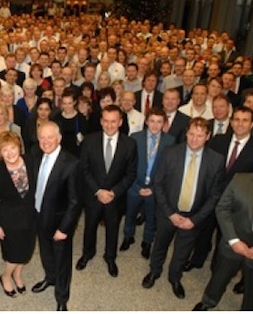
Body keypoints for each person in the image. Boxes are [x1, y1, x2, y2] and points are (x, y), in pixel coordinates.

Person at [193, 147, 253, 311]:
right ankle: (208, 301)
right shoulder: (239, 180)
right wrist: (234, 240)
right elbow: (222, 208)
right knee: (218, 279)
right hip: (232, 245)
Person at [142, 117, 225, 299]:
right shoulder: (170, 153)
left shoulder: (217, 161)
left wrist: (194, 220)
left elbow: (214, 196)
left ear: (208, 136)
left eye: (200, 135)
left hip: (193, 216)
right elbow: (159, 183)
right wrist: (170, 213)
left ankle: (175, 277)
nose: (195, 139)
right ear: (186, 133)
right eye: (192, 134)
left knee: (182, 251)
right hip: (168, 212)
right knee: (160, 245)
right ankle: (154, 271)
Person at [183, 106, 253, 272]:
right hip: (210, 196)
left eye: (245, 120)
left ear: (252, 123)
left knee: (226, 236)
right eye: (237, 119)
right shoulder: (218, 140)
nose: (240, 124)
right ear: (231, 122)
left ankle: (217, 268)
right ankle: (197, 259)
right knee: (203, 231)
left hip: (235, 203)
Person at [76, 105, 137, 278]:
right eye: (106, 121)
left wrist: (113, 192)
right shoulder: (89, 140)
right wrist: (97, 190)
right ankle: (88, 253)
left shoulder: (129, 144)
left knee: (112, 228)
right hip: (93, 195)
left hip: (114, 197)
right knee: (90, 226)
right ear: (101, 121)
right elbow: (84, 169)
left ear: (120, 122)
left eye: (114, 121)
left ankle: (110, 257)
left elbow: (130, 173)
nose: (110, 125)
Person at [30, 121, 82, 311]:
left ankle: (62, 297)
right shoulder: (35, 154)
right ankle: (49, 278)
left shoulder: (72, 164)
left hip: (59, 222)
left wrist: (64, 229)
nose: (45, 141)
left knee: (62, 261)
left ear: (59, 138)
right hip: (38, 215)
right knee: (45, 252)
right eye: (42, 137)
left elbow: (75, 202)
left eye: (50, 137)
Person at [0, 131, 37, 298]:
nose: (9, 153)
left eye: (13, 148)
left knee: (27, 251)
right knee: (14, 254)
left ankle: (17, 274)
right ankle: (6, 276)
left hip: (30, 216)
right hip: (9, 220)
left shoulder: (30, 161)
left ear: (19, 147)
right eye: (4, 149)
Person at [120, 108, 175, 258]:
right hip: (135, 186)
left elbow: (168, 170)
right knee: (130, 214)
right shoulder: (135, 137)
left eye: (159, 122)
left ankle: (147, 242)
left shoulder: (170, 141)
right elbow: (129, 164)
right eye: (152, 121)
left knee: (152, 217)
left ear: (164, 123)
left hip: (155, 189)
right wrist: (136, 186)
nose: (155, 125)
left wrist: (153, 188)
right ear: (146, 121)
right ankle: (128, 236)